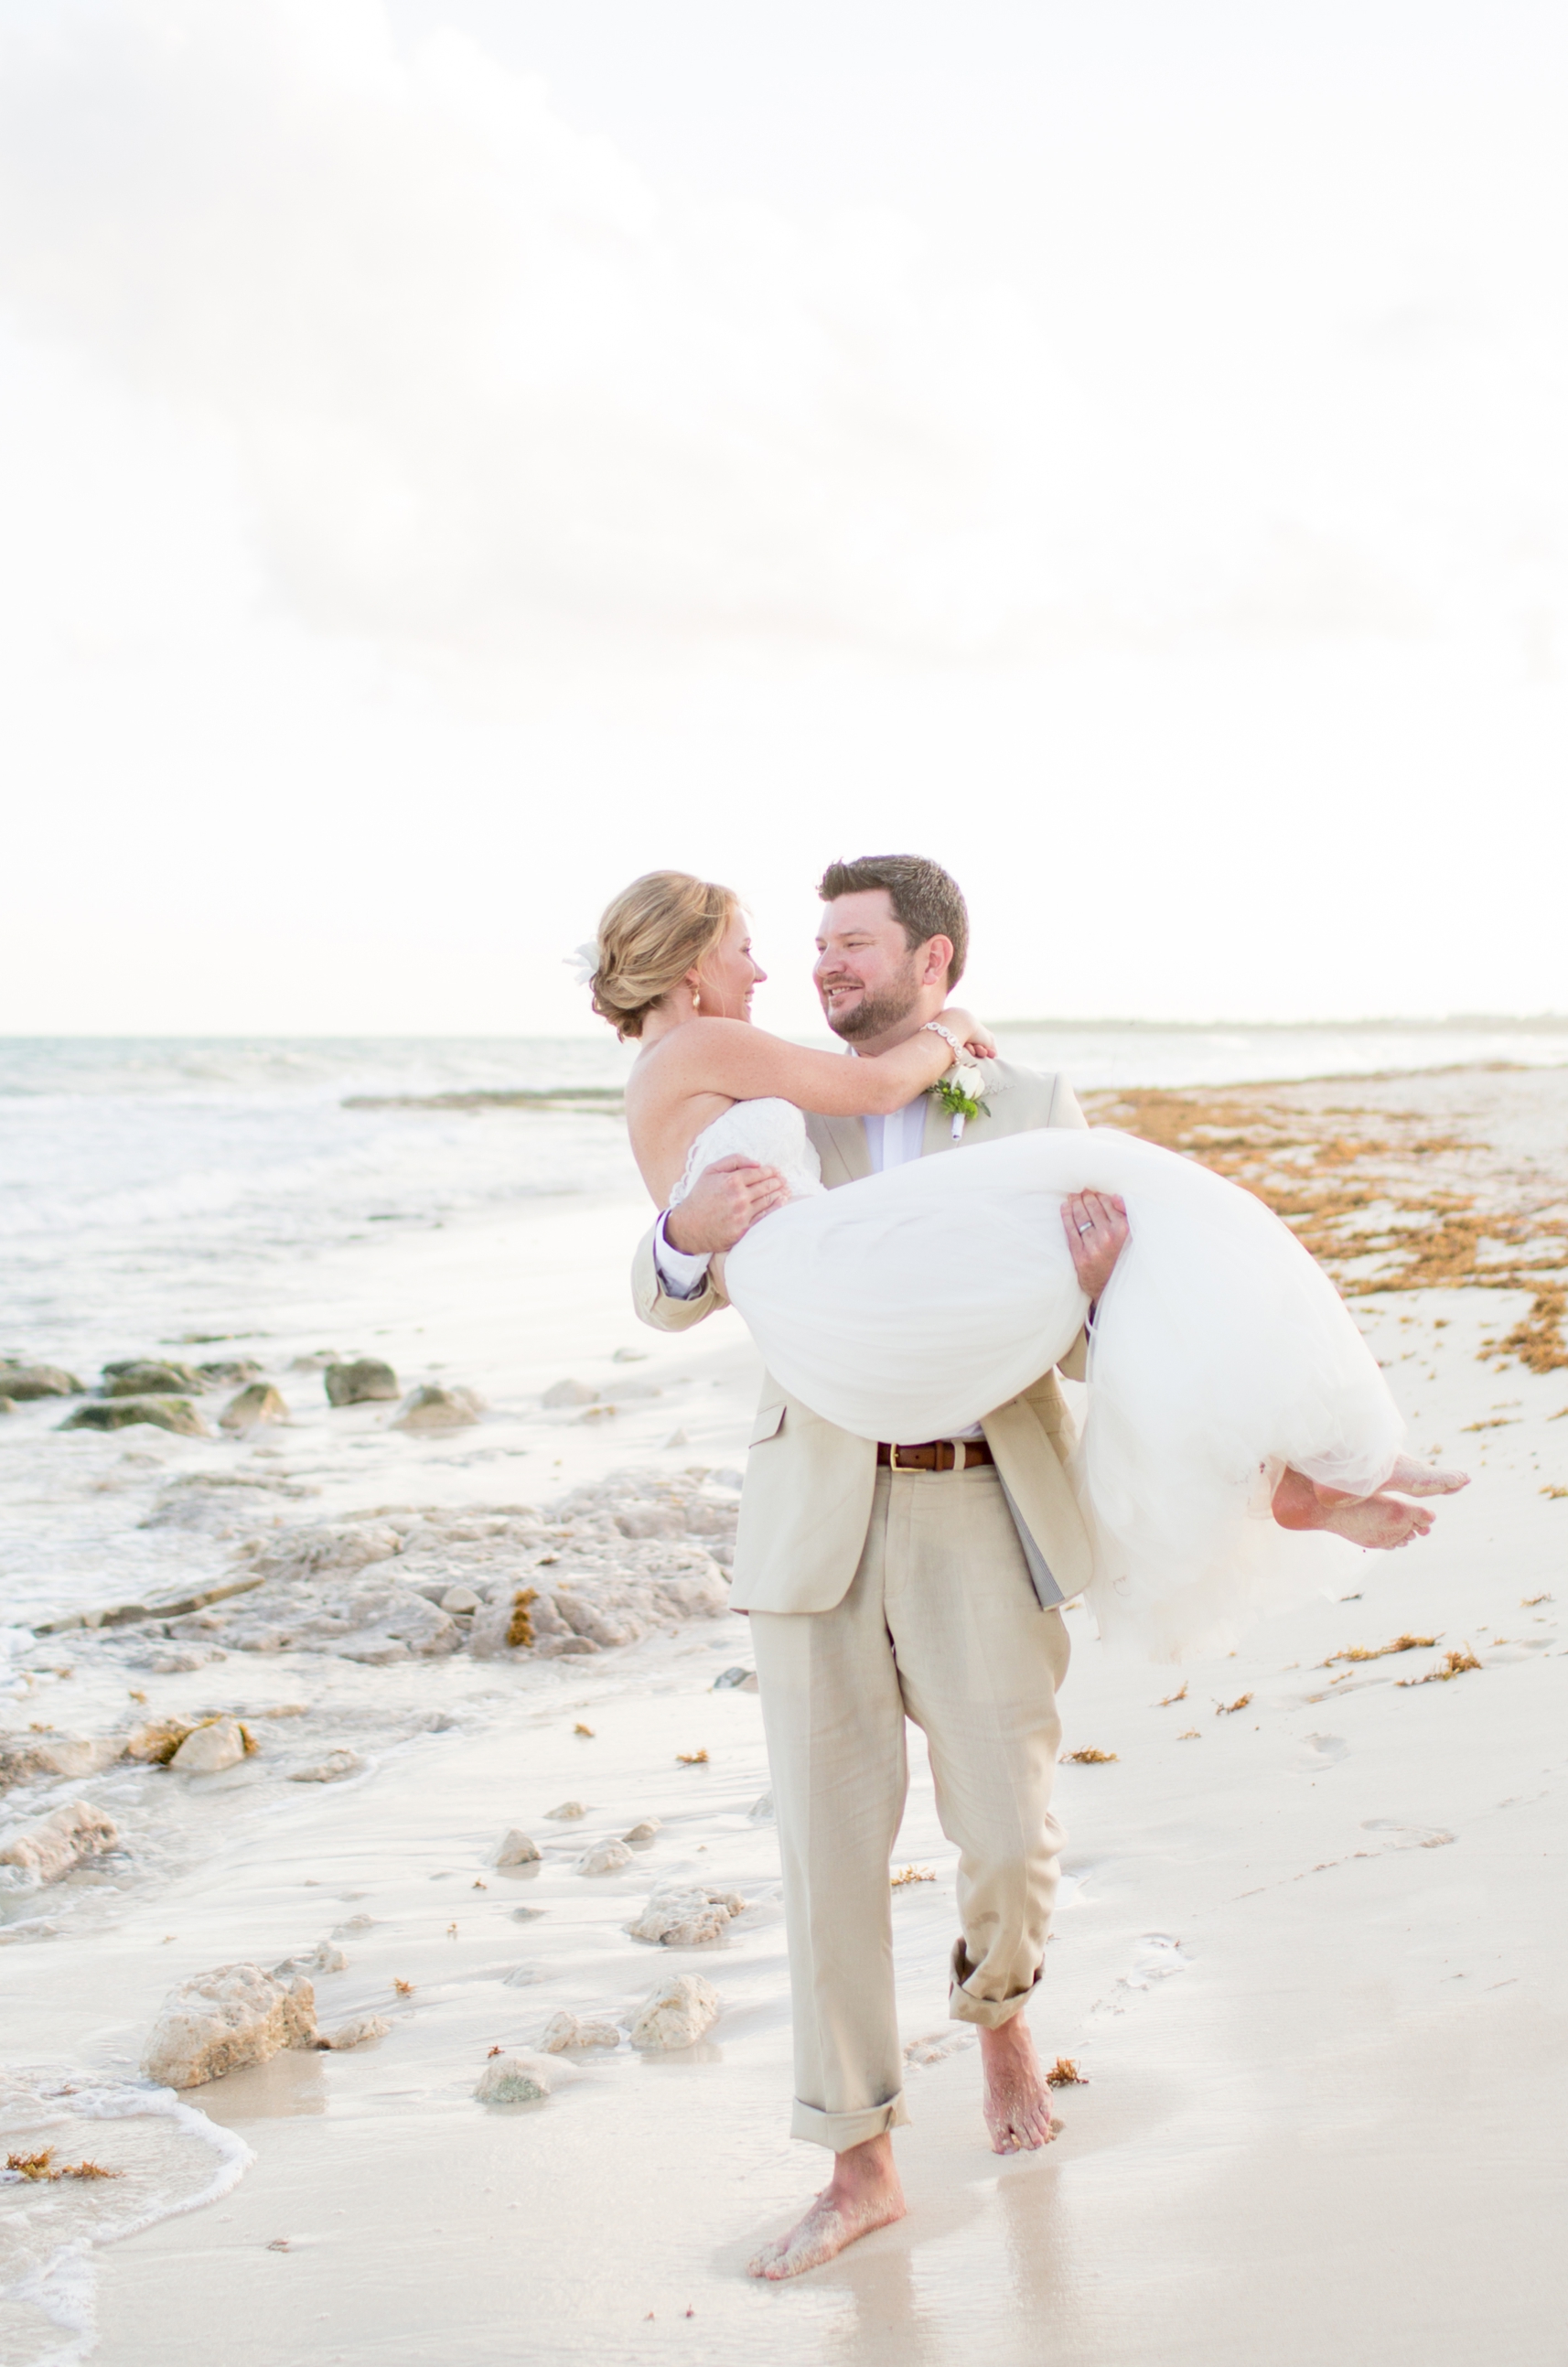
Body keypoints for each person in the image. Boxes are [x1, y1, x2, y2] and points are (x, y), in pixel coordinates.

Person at [603, 857, 1463, 2282]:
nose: (818, 969)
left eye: (850, 946)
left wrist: (1097, 1285)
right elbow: (664, 1274)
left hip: (978, 1497)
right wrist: (682, 1245)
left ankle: (1002, 2017)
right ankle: (858, 2159)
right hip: (817, 1505)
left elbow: (1081, 1338)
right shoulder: (786, 1085)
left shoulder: (1024, 1109)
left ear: (932, 961)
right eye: (804, 946)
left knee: (1006, 1831)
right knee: (828, 1855)